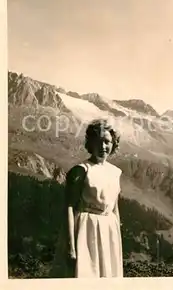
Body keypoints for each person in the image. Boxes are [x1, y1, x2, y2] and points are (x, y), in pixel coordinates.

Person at [50, 118, 123, 278]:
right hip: (85, 229)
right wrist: (71, 246)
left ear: (113, 144)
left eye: (107, 142)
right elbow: (69, 208)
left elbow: (114, 208)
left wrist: (116, 241)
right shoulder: (81, 171)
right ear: (91, 144)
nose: (103, 147)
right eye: (98, 142)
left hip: (109, 230)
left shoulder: (115, 172)